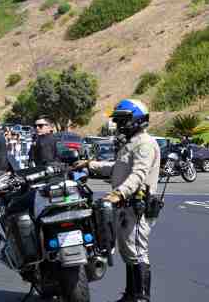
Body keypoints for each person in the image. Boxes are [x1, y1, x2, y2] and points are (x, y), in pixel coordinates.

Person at [74, 99, 159, 302]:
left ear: (136, 120)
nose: (119, 125)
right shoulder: (131, 143)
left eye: (123, 120)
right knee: (128, 251)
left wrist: (118, 193)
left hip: (136, 206)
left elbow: (138, 174)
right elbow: (118, 168)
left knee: (137, 252)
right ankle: (131, 295)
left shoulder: (145, 144)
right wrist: (90, 165)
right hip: (126, 207)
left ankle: (140, 297)